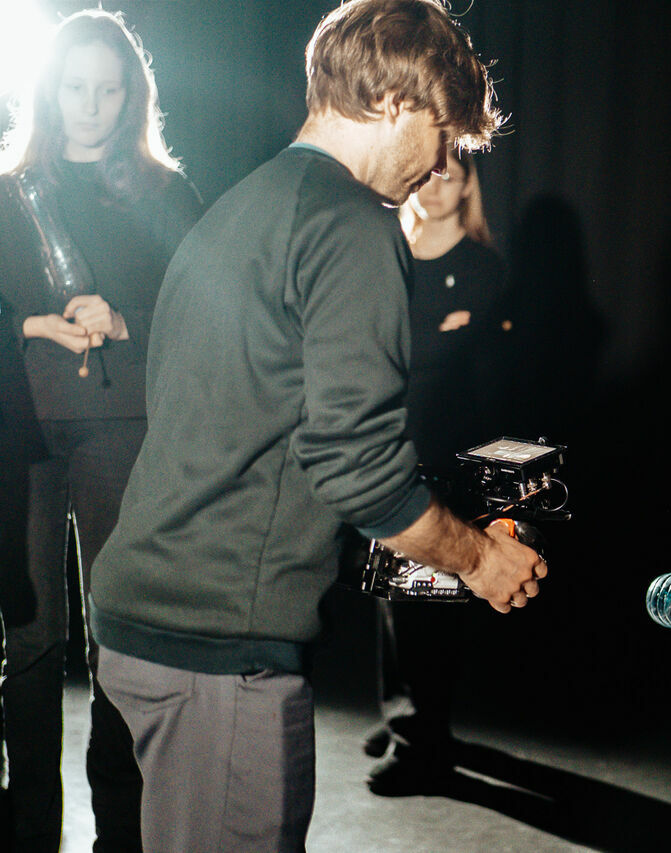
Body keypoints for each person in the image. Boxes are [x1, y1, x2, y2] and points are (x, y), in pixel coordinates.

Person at [87, 2, 544, 849]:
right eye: (444, 133)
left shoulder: (239, 206)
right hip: (218, 645)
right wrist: (482, 559)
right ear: (398, 102)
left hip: (142, 622)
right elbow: (358, 471)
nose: (441, 164)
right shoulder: (352, 224)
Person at [0, 10, 202, 851]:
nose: (89, 106)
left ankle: (120, 832)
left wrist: (123, 322)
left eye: (108, 90)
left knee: (117, 633)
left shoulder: (167, 194)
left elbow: (207, 318)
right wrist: (27, 326)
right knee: (31, 640)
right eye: (75, 88)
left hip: (124, 429)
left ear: (134, 96)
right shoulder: (10, 192)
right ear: (48, 91)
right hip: (22, 435)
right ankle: (28, 833)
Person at [364, 149, 508, 794]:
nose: (439, 182)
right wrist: (435, 333)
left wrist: (417, 337)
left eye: (454, 172)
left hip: (448, 445)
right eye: (430, 169)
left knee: (425, 595)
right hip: (385, 438)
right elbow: (377, 342)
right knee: (388, 591)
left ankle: (424, 740)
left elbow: (448, 353)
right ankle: (404, 716)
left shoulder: (481, 264)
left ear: (471, 184)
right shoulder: (386, 253)